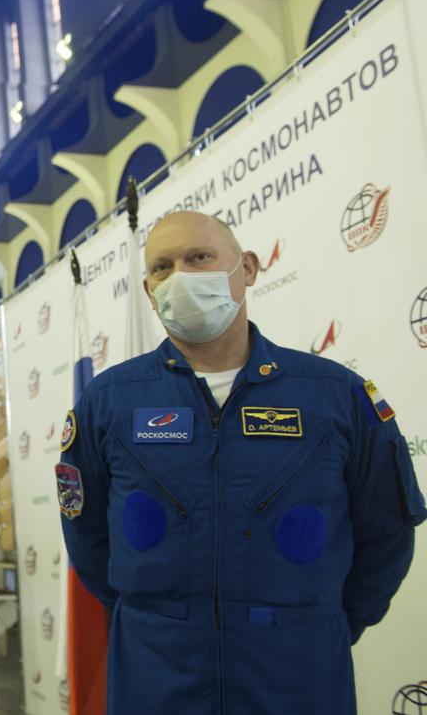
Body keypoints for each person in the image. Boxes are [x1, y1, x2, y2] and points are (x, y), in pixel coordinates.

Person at [58, 210, 425, 715]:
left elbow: (386, 536)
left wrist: (319, 625)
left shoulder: (335, 396)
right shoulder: (109, 402)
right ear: (148, 290)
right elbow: (89, 542)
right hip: (157, 679)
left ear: (248, 268)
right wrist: (163, 622)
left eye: (200, 257)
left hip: (299, 679)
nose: (181, 276)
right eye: (162, 267)